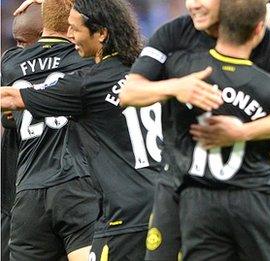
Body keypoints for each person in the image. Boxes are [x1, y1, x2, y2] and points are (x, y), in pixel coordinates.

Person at [119, 0, 270, 259]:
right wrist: (176, 87)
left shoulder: (269, 44)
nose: (193, 5)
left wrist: (242, 131)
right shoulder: (175, 33)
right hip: (180, 182)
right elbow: (129, 92)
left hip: (246, 188)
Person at [1, 0, 210, 259]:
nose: (70, 36)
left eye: (75, 29)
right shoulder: (150, 72)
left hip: (122, 213)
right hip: (168, 201)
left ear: (101, 33)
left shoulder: (87, 84)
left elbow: (10, 98)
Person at [161, 1, 270, 259]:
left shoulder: (186, 74)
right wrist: (245, 132)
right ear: (259, 30)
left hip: (198, 199)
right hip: (253, 195)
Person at [1, 0, 100, 260]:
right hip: (77, 184)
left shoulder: (10, 64)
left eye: (23, 41)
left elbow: (9, 118)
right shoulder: (87, 60)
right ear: (71, 28)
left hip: (28, 192)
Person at [1, 3, 43, 261]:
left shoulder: (10, 65)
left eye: (26, 43)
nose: (21, 52)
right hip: (16, 193)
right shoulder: (9, 64)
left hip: (37, 194)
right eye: (18, 43)